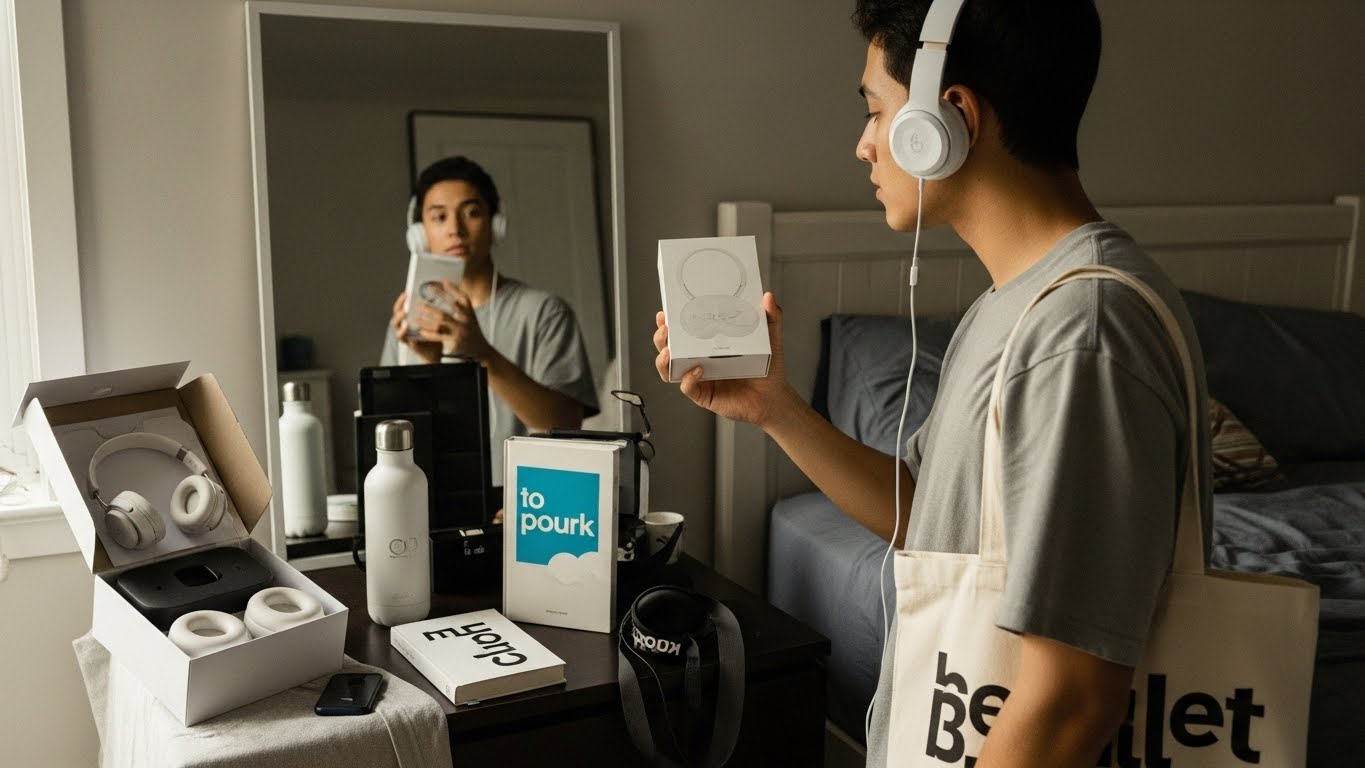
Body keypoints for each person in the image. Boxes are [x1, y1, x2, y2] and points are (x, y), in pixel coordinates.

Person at [654, 1, 1212, 765]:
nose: (862, 146)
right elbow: (932, 519)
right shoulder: (1012, 304)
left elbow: (1070, 700)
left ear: (947, 120)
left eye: (877, 111)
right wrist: (777, 410)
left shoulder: (1082, 329)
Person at [385, 156, 599, 487]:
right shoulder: (412, 322)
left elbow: (565, 425)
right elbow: (395, 437)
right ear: (420, 235)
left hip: (529, 505)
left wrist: (484, 354)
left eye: (471, 212)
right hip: (434, 503)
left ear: (495, 224)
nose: (455, 228)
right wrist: (430, 365)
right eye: (439, 217)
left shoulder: (544, 312)